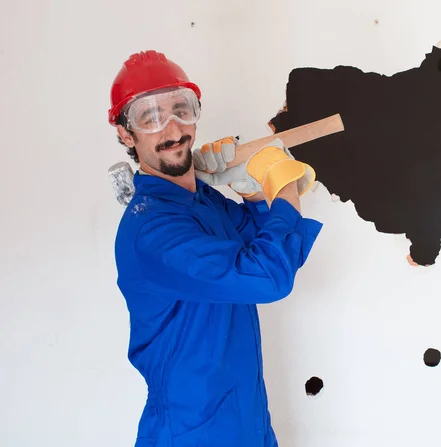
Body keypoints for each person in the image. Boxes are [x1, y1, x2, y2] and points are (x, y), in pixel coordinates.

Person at [108, 50, 322, 446]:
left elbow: (268, 243)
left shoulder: (202, 202)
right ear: (126, 133)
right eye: (149, 117)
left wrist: (250, 188)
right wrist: (283, 179)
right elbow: (268, 275)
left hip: (247, 421)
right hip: (193, 433)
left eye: (180, 109)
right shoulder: (152, 230)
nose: (171, 128)